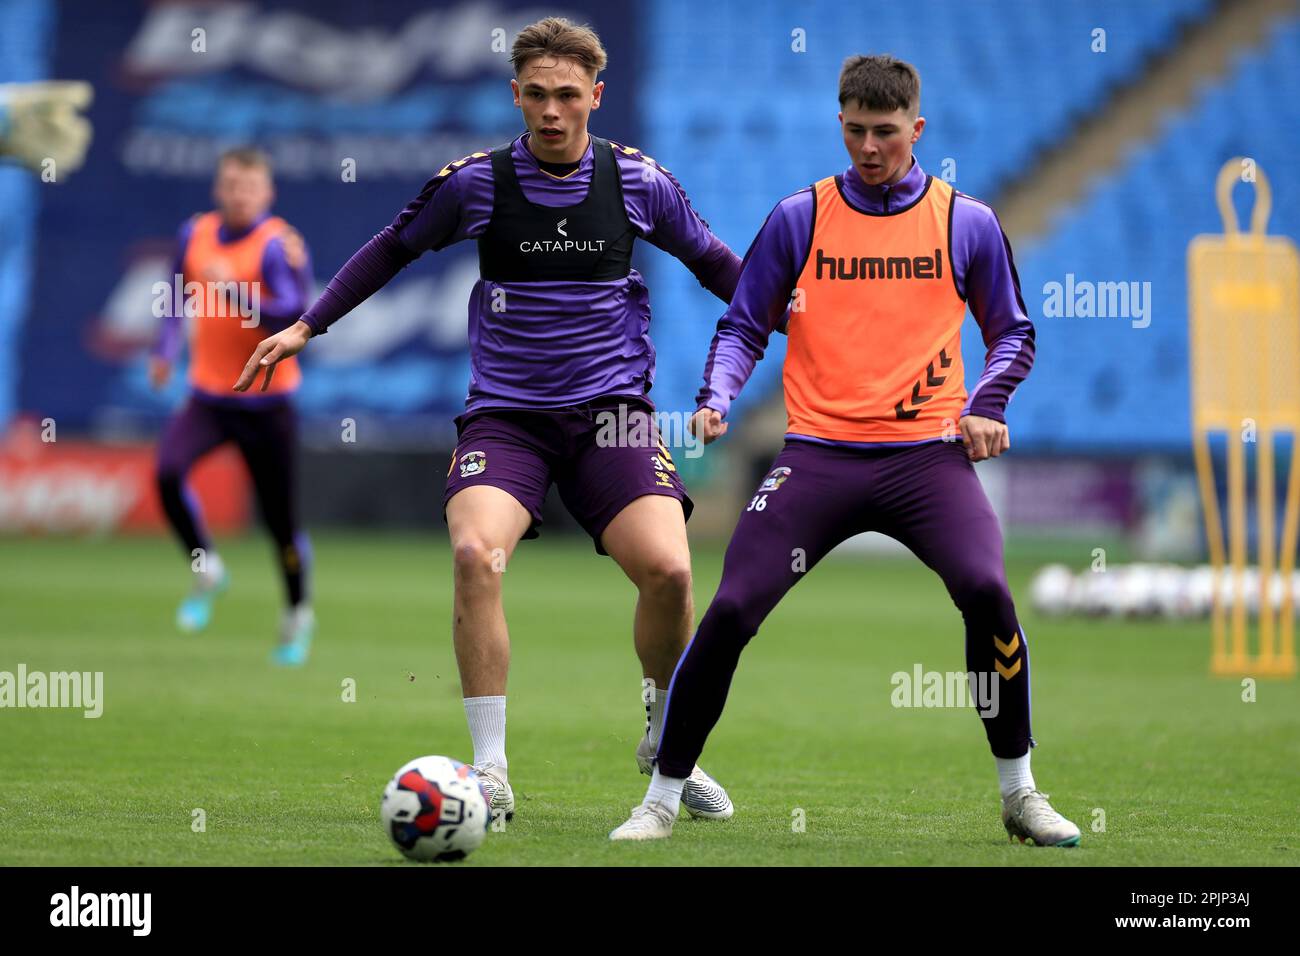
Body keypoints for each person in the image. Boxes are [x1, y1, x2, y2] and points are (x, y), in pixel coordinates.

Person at [234, 17, 740, 822]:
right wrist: (305, 326)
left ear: (595, 97)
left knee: (673, 573)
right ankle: (492, 770)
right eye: (535, 94)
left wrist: (800, 316)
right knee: (476, 554)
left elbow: (721, 268)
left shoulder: (639, 183)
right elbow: (391, 248)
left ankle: (660, 728)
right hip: (508, 418)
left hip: (612, 418)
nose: (550, 110)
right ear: (515, 95)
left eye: (567, 95)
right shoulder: (476, 183)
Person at [611, 54, 1080, 847]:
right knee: (728, 609)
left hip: (927, 458)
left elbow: (1014, 333)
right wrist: (718, 395)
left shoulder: (966, 221)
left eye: (886, 133)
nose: (870, 147)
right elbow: (743, 324)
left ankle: (1020, 793)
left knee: (986, 592)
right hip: (817, 457)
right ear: (841, 124)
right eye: (857, 131)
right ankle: (661, 796)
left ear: (916, 130)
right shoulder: (801, 216)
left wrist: (986, 404)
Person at [152, 147, 315, 666]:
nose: (238, 195)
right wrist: (164, 348)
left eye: (249, 187)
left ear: (267, 194)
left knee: (279, 522)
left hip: (268, 402)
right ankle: (207, 568)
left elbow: (293, 315)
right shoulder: (194, 233)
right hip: (209, 394)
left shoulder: (278, 245)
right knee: (166, 472)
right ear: (218, 188)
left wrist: (237, 294)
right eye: (230, 184)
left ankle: (296, 613)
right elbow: (176, 292)